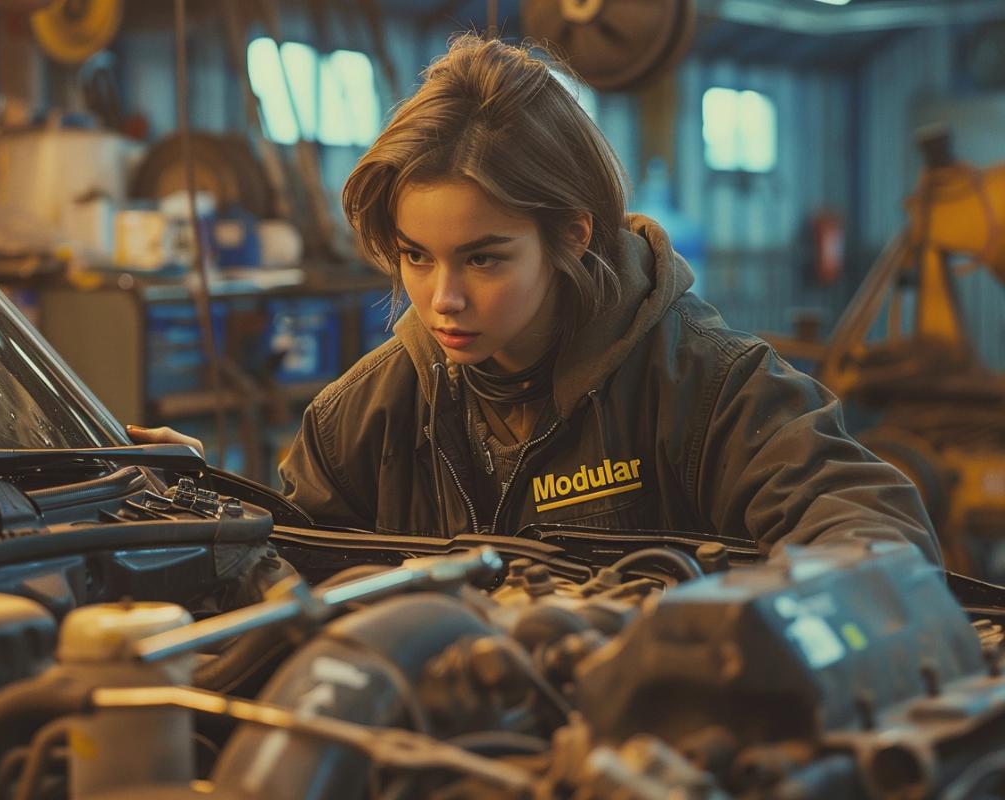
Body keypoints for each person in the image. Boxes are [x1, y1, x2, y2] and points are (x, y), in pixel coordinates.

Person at [131, 34, 939, 562]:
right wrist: (212, 509)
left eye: (483, 259)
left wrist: (740, 625)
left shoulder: (703, 387)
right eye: (416, 256)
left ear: (572, 236)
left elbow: (875, 529)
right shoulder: (369, 413)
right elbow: (288, 567)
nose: (441, 299)